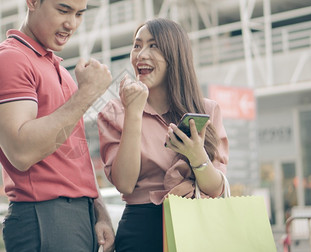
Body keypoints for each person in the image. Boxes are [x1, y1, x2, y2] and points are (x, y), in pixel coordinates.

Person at [0, 0, 115, 252]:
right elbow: (22, 151)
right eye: (63, 10)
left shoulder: (58, 68)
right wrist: (86, 95)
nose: (71, 23)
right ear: (33, 0)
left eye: (79, 13)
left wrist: (99, 209)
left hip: (78, 216)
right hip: (44, 216)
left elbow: (72, 154)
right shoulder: (9, 60)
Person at [97, 18, 229, 252]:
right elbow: (125, 184)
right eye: (137, 45)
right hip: (142, 231)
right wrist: (134, 113)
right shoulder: (115, 112)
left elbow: (217, 189)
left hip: (196, 226)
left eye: (153, 46)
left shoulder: (206, 111)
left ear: (174, 56)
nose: (141, 54)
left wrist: (196, 155)